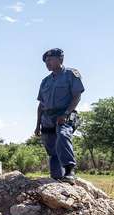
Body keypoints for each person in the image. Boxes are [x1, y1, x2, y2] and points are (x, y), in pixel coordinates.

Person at [35, 48, 84, 184]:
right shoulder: (45, 81)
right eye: (46, 61)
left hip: (65, 114)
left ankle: (69, 171)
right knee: (51, 148)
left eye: (50, 60)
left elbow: (76, 96)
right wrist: (37, 125)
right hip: (47, 118)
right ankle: (56, 177)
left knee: (63, 136)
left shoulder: (70, 74)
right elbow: (41, 105)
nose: (47, 63)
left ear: (60, 59)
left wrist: (66, 114)